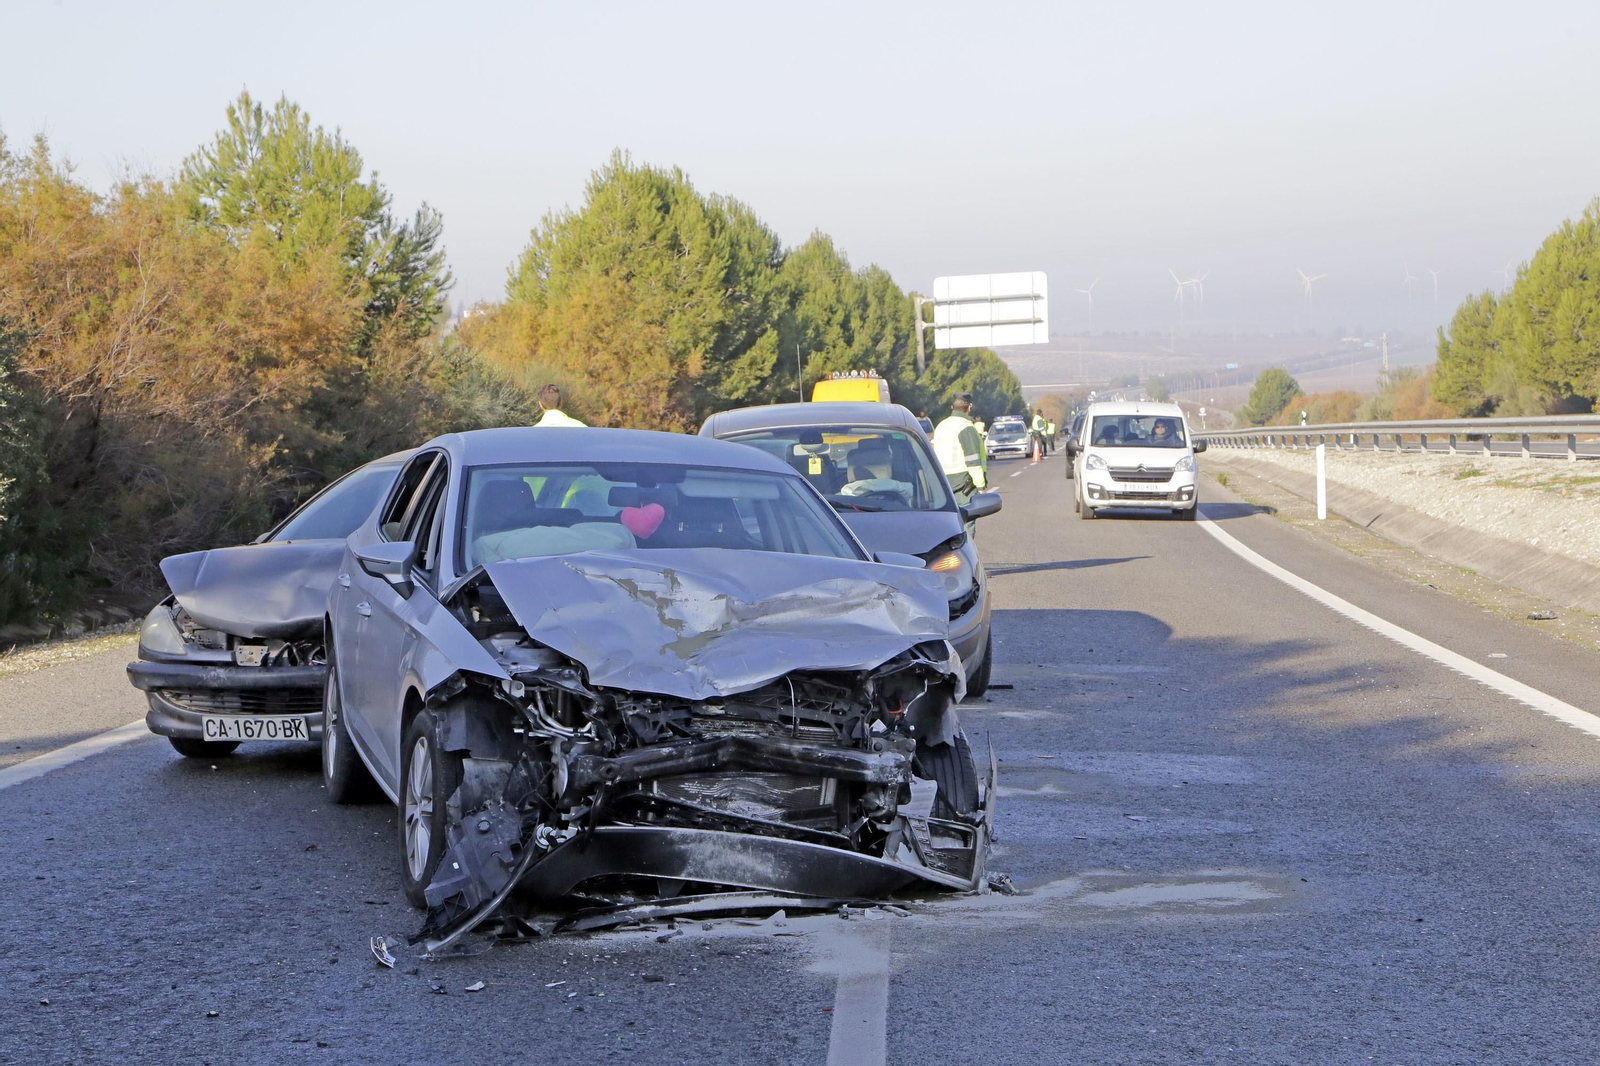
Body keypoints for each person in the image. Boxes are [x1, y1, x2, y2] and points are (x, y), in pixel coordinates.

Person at [932, 394, 988, 506]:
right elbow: (973, 461)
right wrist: (980, 486)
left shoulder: (941, 426)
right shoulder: (966, 427)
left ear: (952, 407)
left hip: (942, 482)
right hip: (963, 483)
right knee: (966, 518)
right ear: (969, 407)